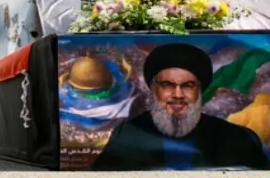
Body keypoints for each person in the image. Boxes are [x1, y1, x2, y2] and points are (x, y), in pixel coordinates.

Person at [91, 43, 269, 171]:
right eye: (167, 85)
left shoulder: (238, 139)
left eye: (188, 86)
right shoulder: (128, 135)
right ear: (154, 90)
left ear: (200, 91)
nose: (177, 94)